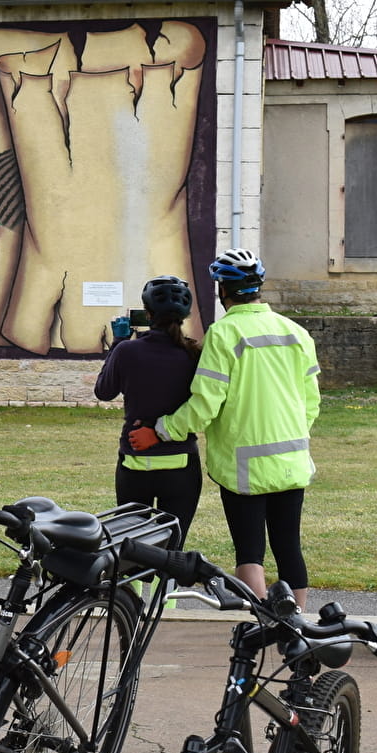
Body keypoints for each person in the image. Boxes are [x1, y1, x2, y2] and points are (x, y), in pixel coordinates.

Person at [129, 248, 321, 610]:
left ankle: (263, 622)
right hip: (292, 460)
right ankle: (296, 625)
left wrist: (163, 429)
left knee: (250, 549)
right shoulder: (296, 333)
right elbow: (311, 401)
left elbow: (205, 404)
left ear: (222, 291)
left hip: (244, 466)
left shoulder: (224, 334)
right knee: (289, 546)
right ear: (259, 286)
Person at [95, 276, 203, 545]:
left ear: (148, 313)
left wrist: (118, 342)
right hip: (181, 465)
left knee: (131, 548)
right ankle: (167, 588)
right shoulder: (195, 354)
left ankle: (131, 589)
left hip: (135, 464)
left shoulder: (128, 351)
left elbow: (103, 391)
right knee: (171, 548)